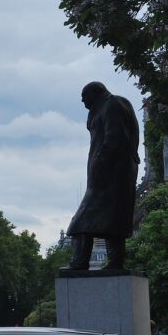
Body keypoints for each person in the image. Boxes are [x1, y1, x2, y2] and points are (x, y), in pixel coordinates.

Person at [67, 81, 140, 270]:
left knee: (81, 222)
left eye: (85, 96)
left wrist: (98, 165)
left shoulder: (112, 105)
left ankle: (80, 262)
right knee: (113, 222)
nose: (82, 101)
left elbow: (114, 139)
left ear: (97, 93)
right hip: (113, 173)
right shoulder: (109, 106)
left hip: (110, 174)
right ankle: (115, 263)